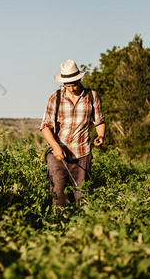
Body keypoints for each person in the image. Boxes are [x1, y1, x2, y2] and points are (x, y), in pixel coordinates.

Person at [40, 59, 106, 211]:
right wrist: (55, 147)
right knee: (58, 190)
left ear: (80, 79)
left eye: (74, 84)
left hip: (82, 153)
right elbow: (45, 127)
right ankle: (58, 224)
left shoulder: (92, 96)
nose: (71, 88)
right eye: (67, 85)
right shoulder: (55, 98)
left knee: (81, 196)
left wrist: (100, 136)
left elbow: (99, 121)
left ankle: (80, 228)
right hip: (58, 154)